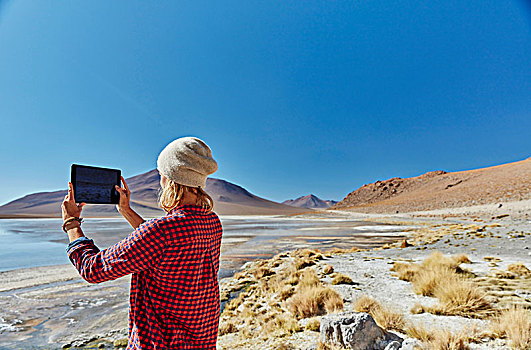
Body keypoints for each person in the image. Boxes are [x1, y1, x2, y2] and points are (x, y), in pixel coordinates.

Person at [61, 137, 222, 350]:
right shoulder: (211, 222)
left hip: (160, 343)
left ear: (170, 178)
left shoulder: (162, 231)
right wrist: (126, 211)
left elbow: (93, 269)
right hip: (200, 339)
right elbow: (164, 246)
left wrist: (71, 223)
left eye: (161, 174)